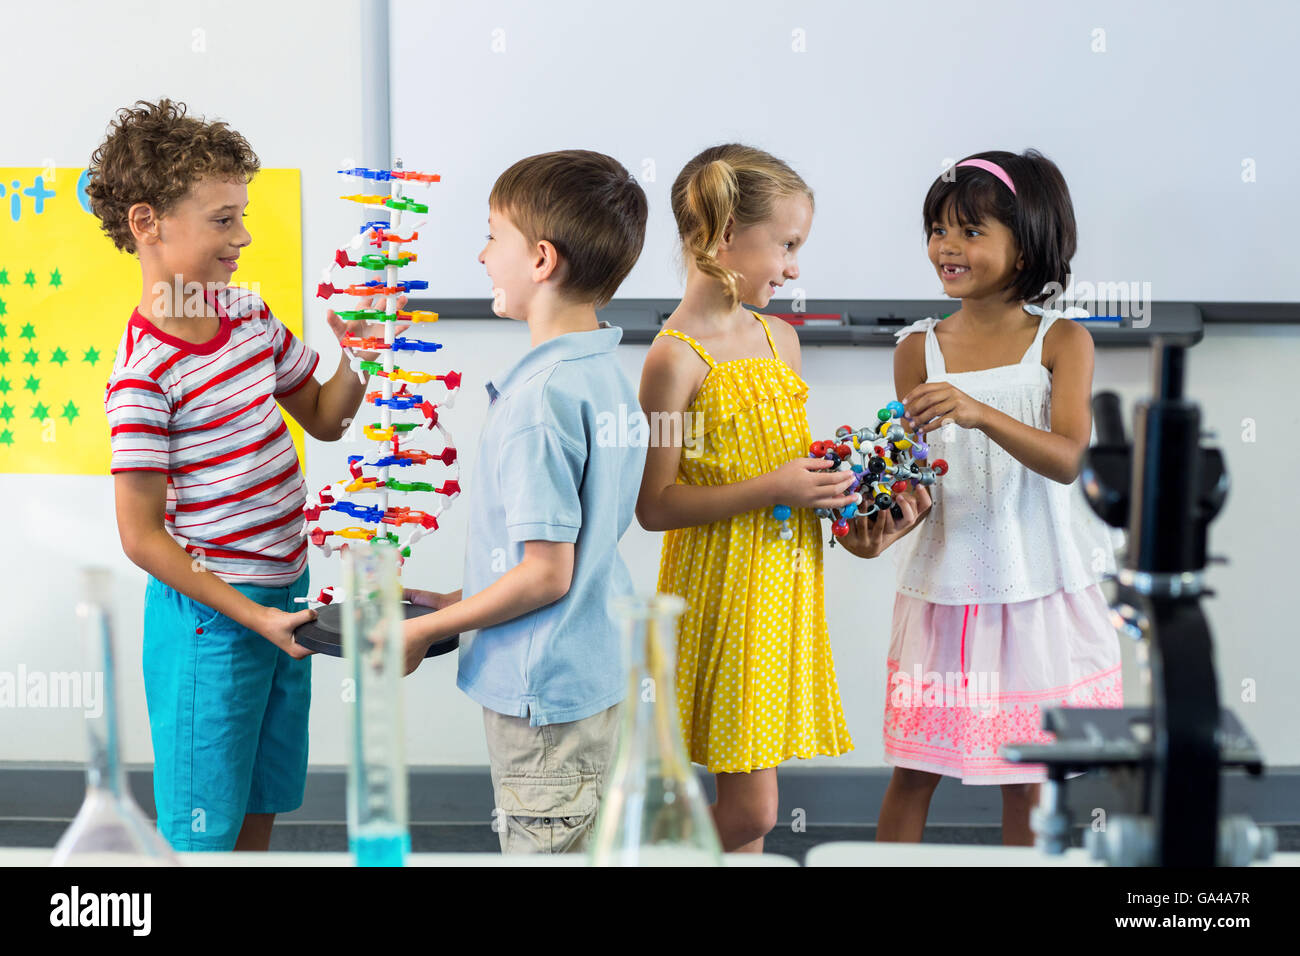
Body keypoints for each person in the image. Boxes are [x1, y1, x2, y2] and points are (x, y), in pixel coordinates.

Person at [95, 98, 390, 851]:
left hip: (283, 605)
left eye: (243, 214)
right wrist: (251, 616)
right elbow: (139, 537)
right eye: (222, 219)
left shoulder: (247, 315)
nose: (244, 236)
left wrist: (360, 355)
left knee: (260, 809)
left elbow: (323, 415)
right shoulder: (143, 375)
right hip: (211, 625)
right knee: (204, 833)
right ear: (146, 222)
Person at [636, 144, 926, 853]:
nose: (794, 267)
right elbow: (656, 505)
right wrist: (777, 487)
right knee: (752, 813)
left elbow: (786, 467)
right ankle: (626, 851)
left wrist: (845, 494)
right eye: (786, 245)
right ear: (725, 234)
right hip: (721, 591)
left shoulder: (781, 340)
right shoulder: (671, 361)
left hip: (783, 585)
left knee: (746, 818)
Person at [400, 150, 649, 854]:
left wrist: (419, 633)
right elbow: (575, 546)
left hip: (543, 701)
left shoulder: (538, 400)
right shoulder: (600, 371)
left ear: (541, 259)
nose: (480, 255)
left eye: (491, 236)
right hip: (591, 677)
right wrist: (456, 601)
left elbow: (546, 573)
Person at [874, 149, 1123, 846]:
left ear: (1023, 251)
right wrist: (877, 522)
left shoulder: (1061, 341)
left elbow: (1071, 458)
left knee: (1028, 773)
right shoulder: (915, 349)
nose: (946, 247)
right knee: (912, 769)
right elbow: (917, 482)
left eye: (970, 232)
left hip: (1036, 587)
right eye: (937, 229)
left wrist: (980, 411)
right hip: (943, 591)